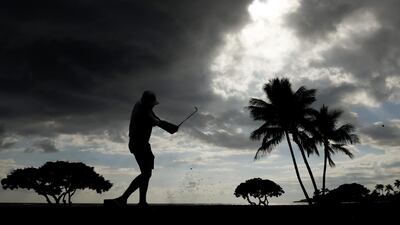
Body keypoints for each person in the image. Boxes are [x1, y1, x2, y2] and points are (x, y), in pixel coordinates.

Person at [104, 90, 178, 207]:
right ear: (148, 102)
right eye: (153, 103)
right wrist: (170, 128)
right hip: (139, 144)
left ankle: (141, 202)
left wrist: (170, 126)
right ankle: (123, 199)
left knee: (146, 173)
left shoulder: (141, 105)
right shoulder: (143, 111)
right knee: (146, 174)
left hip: (139, 144)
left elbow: (155, 117)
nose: (154, 105)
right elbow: (156, 121)